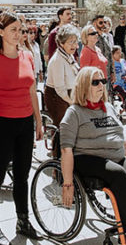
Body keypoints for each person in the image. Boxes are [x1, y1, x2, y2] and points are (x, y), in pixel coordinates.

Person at [60, 67, 126, 243]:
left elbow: (121, 138)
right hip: (87, 158)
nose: (101, 85)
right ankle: (123, 232)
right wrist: (67, 183)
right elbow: (66, 149)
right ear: (83, 86)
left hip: (115, 156)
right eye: (95, 82)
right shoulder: (74, 112)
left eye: (103, 81)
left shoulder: (108, 107)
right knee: (118, 175)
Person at [0, 11, 42, 244]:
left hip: (25, 123)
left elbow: (32, 90)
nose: (18, 34)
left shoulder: (27, 56)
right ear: (0, 32)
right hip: (2, 123)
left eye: (20, 30)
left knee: (22, 175)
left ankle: (23, 219)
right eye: (13, 30)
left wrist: (38, 121)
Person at [44, 24, 80, 157]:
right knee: (62, 130)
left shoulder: (68, 56)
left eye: (75, 42)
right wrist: (72, 102)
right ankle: (57, 162)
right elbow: (60, 89)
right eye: (70, 42)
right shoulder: (58, 60)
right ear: (61, 43)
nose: (74, 45)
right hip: (57, 97)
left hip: (68, 95)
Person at [92, 15, 114, 85]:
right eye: (101, 23)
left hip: (108, 75)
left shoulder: (106, 37)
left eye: (104, 22)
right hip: (97, 76)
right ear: (94, 24)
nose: (103, 25)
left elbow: (110, 55)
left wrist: (113, 72)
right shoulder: (91, 38)